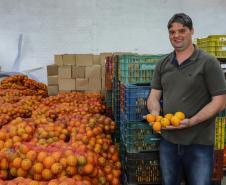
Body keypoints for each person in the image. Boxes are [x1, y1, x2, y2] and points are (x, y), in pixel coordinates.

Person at [147, 13, 226, 185]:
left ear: (191, 31)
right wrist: (154, 112)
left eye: (182, 30)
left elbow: (220, 101)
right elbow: (154, 95)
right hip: (168, 142)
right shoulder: (163, 64)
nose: (176, 35)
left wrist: (191, 121)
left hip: (198, 143)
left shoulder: (208, 62)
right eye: (172, 32)